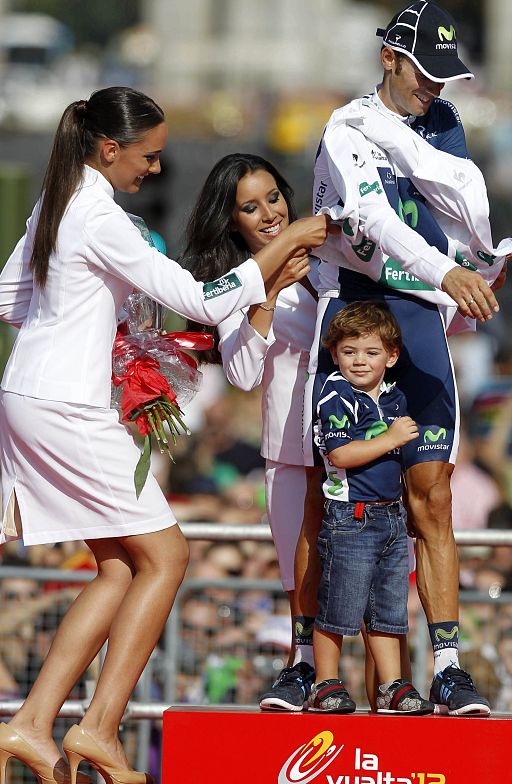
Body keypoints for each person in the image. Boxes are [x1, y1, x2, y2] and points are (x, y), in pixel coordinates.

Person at [0, 87, 330, 784]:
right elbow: (201, 302)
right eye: (148, 156)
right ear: (110, 149)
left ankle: (33, 724)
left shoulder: (57, 201)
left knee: (124, 566)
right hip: (65, 404)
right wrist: (292, 241)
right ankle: (97, 729)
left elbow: (10, 300)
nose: (155, 169)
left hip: (35, 393)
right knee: (168, 557)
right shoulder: (95, 212)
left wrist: (85, 327)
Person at [301, 0, 512, 716]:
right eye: (426, 71)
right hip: (359, 306)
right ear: (388, 57)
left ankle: (446, 667)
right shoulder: (346, 127)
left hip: (418, 314)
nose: (438, 87)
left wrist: (478, 263)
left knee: (432, 495)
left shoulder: (444, 120)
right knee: (335, 499)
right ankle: (315, 668)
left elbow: (455, 206)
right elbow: (374, 218)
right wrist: (445, 270)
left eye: (447, 74)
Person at [178, 153, 335, 711]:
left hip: (357, 448)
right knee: (302, 579)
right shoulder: (230, 286)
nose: (269, 213)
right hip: (289, 451)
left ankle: (387, 689)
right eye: (251, 206)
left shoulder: (331, 256)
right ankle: (305, 671)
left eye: (274, 197)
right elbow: (243, 374)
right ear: (232, 219)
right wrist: (266, 296)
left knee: (368, 577)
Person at [308, 300, 433, 715]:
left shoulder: (394, 398)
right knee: (338, 607)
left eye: (371, 352)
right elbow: (340, 455)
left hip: (391, 516)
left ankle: (392, 685)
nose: (360, 360)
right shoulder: (335, 394)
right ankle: (325, 683)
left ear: (391, 356)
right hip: (352, 517)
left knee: (389, 610)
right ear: (334, 354)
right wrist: (392, 438)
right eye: (349, 351)